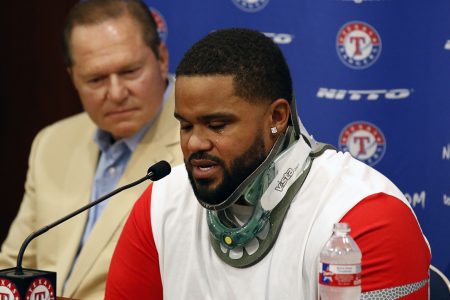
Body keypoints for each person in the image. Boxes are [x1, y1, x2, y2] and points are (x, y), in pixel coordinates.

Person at [105, 28, 431, 299]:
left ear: (276, 117)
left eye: (217, 125)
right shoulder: (160, 204)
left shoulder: (365, 216)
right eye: (186, 126)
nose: (194, 144)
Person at [0, 0, 182, 299]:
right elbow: (15, 266)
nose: (116, 93)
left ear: (162, 58)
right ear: (73, 77)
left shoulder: (201, 144)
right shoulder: (52, 142)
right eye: (96, 79)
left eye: (130, 71)